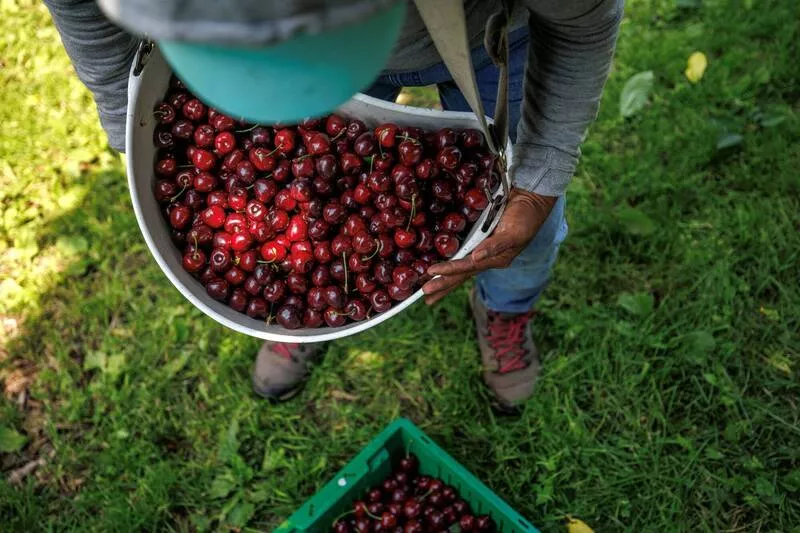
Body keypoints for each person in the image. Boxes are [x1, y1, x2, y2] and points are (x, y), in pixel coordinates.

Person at [45, 0, 622, 412]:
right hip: (318, 54)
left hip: (494, 31)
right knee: (307, 200)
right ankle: (299, 318)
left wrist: (537, 183)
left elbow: (583, 25)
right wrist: (124, 118)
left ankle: (506, 310)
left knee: (517, 227)